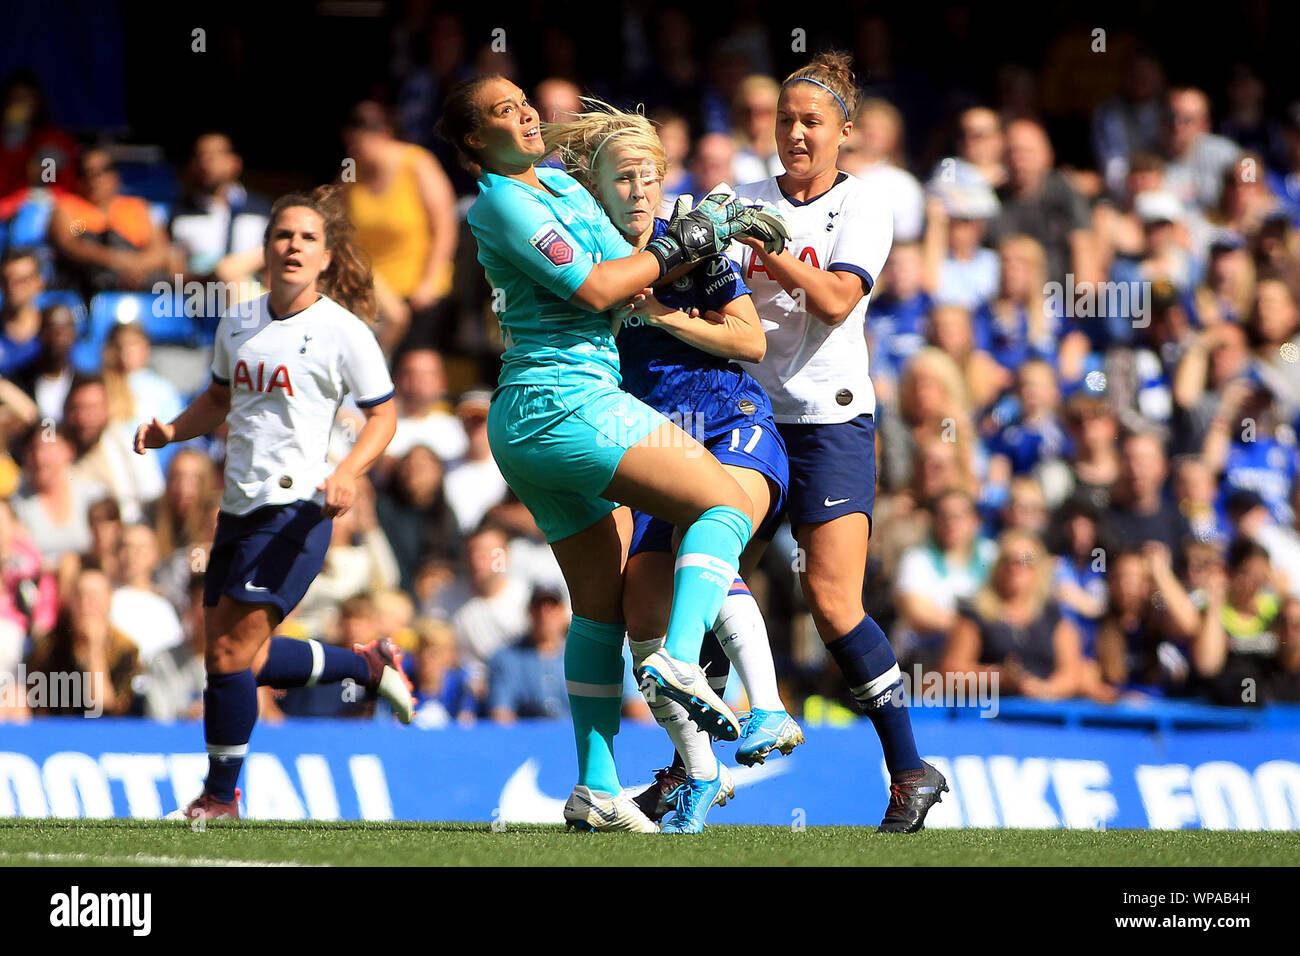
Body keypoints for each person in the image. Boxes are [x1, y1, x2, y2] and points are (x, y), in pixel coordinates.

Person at [436, 73, 781, 832]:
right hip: (568, 402)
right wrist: (682, 243)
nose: (524, 112)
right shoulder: (501, 201)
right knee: (722, 500)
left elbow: (631, 270)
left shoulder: (558, 185)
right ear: (472, 143)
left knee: (599, 609)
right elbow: (599, 290)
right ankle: (684, 660)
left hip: (535, 419)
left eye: (524, 101)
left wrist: (711, 225)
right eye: (501, 111)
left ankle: (596, 787)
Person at [546, 100, 803, 833]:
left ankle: (771, 708)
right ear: (594, 186)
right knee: (641, 614)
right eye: (621, 178)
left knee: (710, 535)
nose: (636, 191)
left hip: (731, 425)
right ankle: (699, 770)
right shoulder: (583, 261)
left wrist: (657, 313)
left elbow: (750, 341)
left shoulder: (686, 247)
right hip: (657, 448)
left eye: (647, 178)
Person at [134, 185, 415, 820]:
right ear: (265, 249)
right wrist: (170, 432)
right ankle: (366, 665)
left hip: (299, 510)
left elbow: (384, 417)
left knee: (229, 657)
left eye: (307, 237)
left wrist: (347, 471)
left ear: (325, 257)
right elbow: (217, 399)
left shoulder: (345, 331)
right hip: (235, 511)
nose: (293, 245)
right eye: (282, 235)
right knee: (242, 657)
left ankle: (220, 796)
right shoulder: (237, 321)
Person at [726, 51, 947, 832]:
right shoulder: (738, 198)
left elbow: (831, 302)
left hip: (831, 422)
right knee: (706, 580)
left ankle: (910, 772)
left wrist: (770, 252)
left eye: (810, 121)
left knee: (831, 601)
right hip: (749, 418)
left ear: (844, 134)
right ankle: (683, 770)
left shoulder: (868, 206)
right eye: (785, 120)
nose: (794, 133)